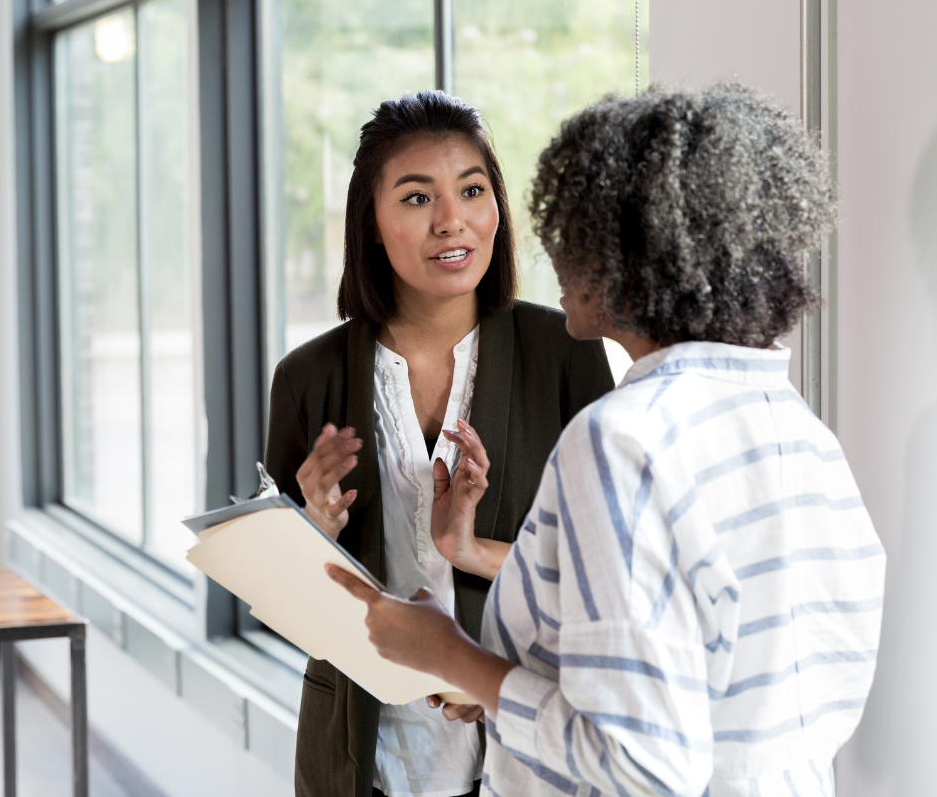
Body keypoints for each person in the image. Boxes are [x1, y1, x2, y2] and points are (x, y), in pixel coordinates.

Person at [328, 84, 886, 797]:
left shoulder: (621, 440)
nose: (554, 252)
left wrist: (453, 656)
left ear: (635, 253)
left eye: (574, 229)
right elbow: (715, 679)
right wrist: (509, 685)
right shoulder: (800, 433)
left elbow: (642, 763)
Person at [264, 90, 614, 797]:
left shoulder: (563, 353)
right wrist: (313, 532)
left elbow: (606, 576)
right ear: (372, 224)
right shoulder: (309, 378)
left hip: (520, 745)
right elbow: (282, 610)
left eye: (472, 190)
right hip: (363, 756)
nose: (452, 221)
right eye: (417, 198)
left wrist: (474, 600)